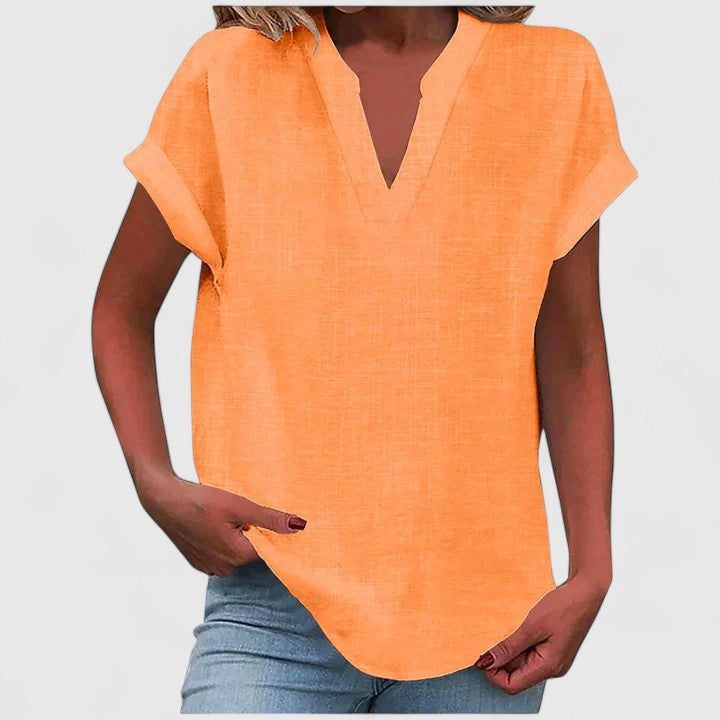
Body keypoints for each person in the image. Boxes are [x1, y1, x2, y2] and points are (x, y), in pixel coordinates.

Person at [92, 5, 638, 713]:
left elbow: (573, 349)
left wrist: (592, 568)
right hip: (274, 607)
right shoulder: (226, 75)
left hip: (486, 632)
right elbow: (122, 308)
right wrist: (153, 480)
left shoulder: (554, 76)